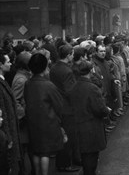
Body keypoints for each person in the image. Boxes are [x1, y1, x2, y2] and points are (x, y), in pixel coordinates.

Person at [25, 53, 65, 175]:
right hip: (49, 125)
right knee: (48, 155)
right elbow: (59, 106)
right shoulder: (48, 85)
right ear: (44, 66)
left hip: (33, 124)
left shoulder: (28, 83)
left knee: (37, 152)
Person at [70, 60, 110, 175]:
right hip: (91, 127)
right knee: (92, 158)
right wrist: (107, 110)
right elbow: (99, 109)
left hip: (79, 125)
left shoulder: (74, 87)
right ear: (90, 71)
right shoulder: (92, 88)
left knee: (86, 156)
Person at [50, 44, 80, 172]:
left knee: (63, 135)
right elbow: (70, 91)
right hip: (67, 108)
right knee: (69, 136)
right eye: (72, 54)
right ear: (68, 55)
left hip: (58, 105)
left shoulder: (54, 67)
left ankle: (65, 161)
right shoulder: (67, 71)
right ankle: (66, 164)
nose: (73, 56)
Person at [0, 50, 21, 175]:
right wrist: (8, 137)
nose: (10, 64)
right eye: (7, 62)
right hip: (7, 136)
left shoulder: (3, 81)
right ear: (0, 65)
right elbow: (3, 111)